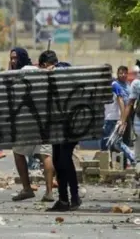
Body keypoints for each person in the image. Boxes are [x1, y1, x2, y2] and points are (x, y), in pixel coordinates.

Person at [8, 47, 55, 202]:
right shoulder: (29, 70)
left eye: (15, 58)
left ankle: (28, 188)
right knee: (44, 154)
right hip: (42, 120)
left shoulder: (26, 70)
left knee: (25, 153)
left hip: (26, 121)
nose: (13, 61)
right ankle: (48, 192)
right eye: (11, 58)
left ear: (22, 58)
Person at [39, 50, 81, 212]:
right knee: (57, 160)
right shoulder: (45, 78)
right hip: (56, 127)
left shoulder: (63, 69)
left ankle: (74, 196)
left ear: (45, 65)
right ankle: (63, 199)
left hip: (70, 126)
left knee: (64, 159)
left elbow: (67, 71)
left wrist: (54, 70)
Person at [102, 66, 135, 167]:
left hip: (115, 118)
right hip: (110, 118)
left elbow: (121, 101)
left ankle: (132, 159)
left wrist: (122, 119)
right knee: (110, 142)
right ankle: (112, 163)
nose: (123, 75)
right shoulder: (107, 84)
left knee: (115, 142)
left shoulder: (114, 85)